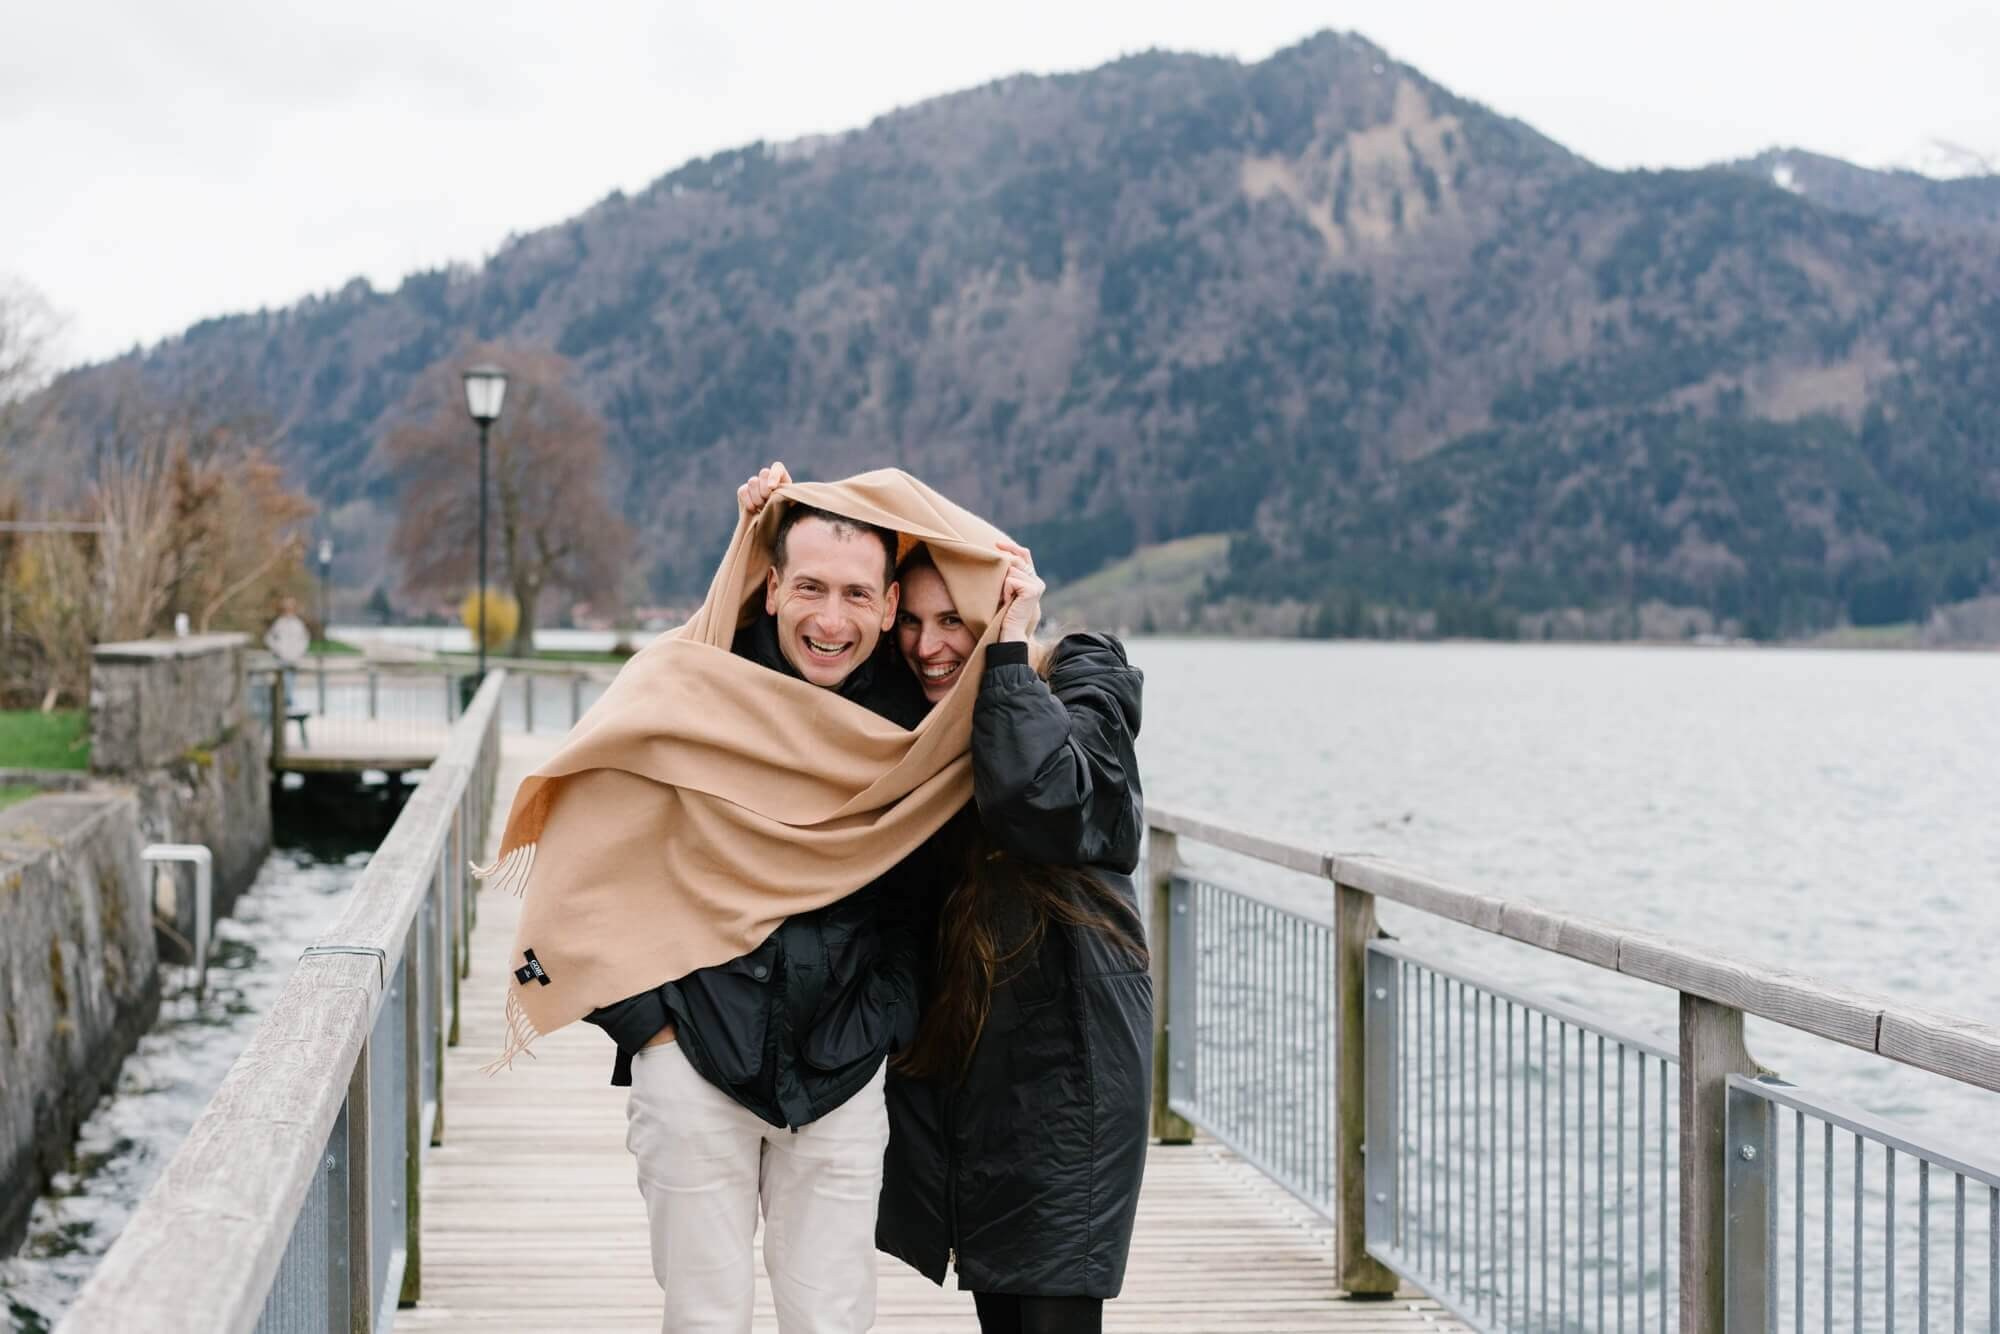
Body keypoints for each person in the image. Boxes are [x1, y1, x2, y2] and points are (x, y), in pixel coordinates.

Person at [584, 462, 932, 1334]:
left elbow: (927, 907)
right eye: (809, 586)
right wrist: (648, 1031)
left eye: (857, 594)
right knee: (704, 1317)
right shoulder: (690, 689)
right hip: (694, 1054)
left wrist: (883, 1020)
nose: (830, 618)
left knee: (834, 1319)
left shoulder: (915, 736)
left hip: (841, 1073)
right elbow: (590, 864)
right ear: (770, 588)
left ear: (889, 608)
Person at [875, 542, 1154, 1334]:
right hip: (974, 1077)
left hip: (1074, 1077)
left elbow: (1048, 803)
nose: (929, 646)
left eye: (953, 620)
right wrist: (762, 527)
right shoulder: (914, 721)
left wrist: (1006, 650)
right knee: (1002, 1314)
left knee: (1057, 1311)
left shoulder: (1083, 677)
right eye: (915, 622)